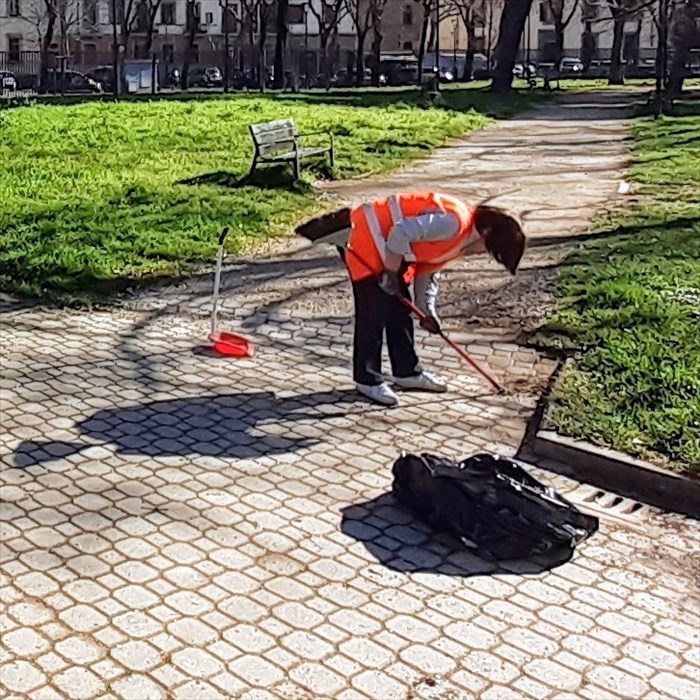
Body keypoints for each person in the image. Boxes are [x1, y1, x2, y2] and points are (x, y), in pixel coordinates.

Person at [297, 192, 526, 406]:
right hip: (365, 236)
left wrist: (427, 311)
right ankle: (367, 379)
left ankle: (407, 372)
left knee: (400, 311)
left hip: (390, 251)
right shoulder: (454, 223)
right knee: (373, 312)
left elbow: (427, 271)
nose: (482, 254)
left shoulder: (461, 242)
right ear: (486, 233)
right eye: (489, 250)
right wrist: (389, 273)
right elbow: (401, 231)